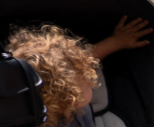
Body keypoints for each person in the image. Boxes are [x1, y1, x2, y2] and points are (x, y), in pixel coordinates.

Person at [8, 19, 152, 127]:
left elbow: (88, 58)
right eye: (87, 86)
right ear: (68, 101)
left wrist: (117, 41)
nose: (93, 79)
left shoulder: (69, 76)